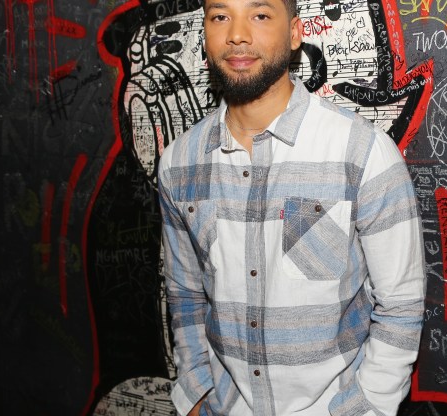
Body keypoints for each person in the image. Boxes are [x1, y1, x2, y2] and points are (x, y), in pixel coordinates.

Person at [156, 0, 426, 413]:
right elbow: (185, 293)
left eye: (260, 15)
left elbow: (401, 304)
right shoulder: (179, 163)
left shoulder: (362, 152)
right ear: (205, 33)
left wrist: (365, 406)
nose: (237, 34)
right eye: (220, 16)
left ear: (295, 32)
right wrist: (198, 392)